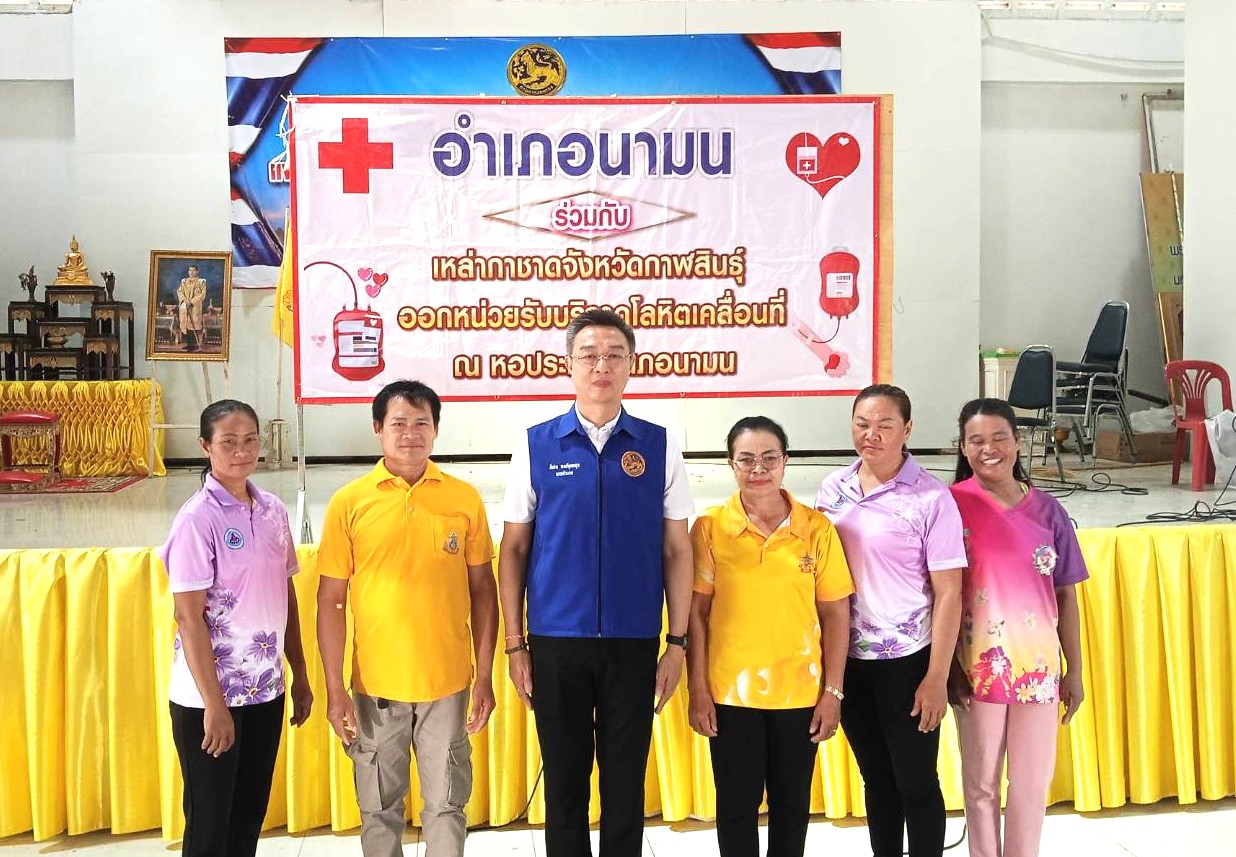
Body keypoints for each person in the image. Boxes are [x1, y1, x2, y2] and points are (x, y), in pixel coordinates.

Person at [498, 308, 694, 857]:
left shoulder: (659, 445)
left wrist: (677, 644)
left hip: (634, 641)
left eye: (614, 355)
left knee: (625, 786)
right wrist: (515, 645)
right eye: (588, 355)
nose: (601, 366)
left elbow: (677, 549)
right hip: (556, 642)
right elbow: (513, 550)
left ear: (632, 365)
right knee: (564, 787)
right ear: (569, 364)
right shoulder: (536, 444)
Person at [316, 380, 498, 857]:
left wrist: (484, 677)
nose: (411, 434)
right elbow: (330, 601)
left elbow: (484, 591)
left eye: (422, 423)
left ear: (436, 430)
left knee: (447, 806)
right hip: (375, 687)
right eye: (398, 423)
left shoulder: (463, 499)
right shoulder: (350, 502)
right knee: (378, 809)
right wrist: (335, 689)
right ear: (378, 428)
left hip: (448, 685)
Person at [687, 416, 854, 857]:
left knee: (792, 808)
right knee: (735, 808)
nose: (758, 468)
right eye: (746, 459)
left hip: (800, 694)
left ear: (785, 461)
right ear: (731, 464)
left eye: (769, 458)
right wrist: (698, 690)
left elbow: (836, 614)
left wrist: (833, 692)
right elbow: (696, 615)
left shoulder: (816, 529)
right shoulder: (710, 528)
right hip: (730, 695)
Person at [814, 384, 965, 857]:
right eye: (862, 424)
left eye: (885, 426)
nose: (871, 435)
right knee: (876, 777)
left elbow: (949, 592)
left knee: (915, 780)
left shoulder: (931, 498)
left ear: (908, 430)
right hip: (848, 659)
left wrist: (936, 677)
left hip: (908, 661)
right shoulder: (833, 488)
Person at [160, 399, 313, 857]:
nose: (242, 451)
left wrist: (300, 674)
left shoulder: (272, 511)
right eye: (228, 441)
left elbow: (285, 596)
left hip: (265, 690)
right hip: (209, 700)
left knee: (248, 818)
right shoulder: (197, 519)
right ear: (205, 446)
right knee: (210, 826)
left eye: (250, 439)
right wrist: (215, 705)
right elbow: (188, 617)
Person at [948, 398, 1087, 857]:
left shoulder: (1048, 511)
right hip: (976, 672)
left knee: (1031, 786)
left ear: (1018, 441)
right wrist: (948, 667)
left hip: (1039, 674)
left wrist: (1074, 670)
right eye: (976, 440)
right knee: (981, 785)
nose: (988, 449)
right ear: (963, 447)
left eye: (999, 438)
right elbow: (939, 596)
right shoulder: (949, 507)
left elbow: (1066, 595)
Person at [178, 265, 207, 352]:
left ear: (197, 272)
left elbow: (202, 295)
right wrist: (184, 300)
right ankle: (189, 345)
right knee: (186, 325)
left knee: (193, 325)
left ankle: (194, 345)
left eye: (193, 270)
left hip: (195, 307)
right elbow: (180, 291)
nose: (191, 272)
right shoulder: (184, 281)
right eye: (190, 270)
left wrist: (191, 302)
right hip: (185, 306)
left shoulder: (201, 282)